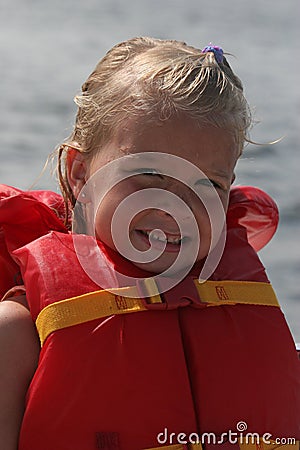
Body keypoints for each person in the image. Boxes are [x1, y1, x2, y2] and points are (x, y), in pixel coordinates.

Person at [0, 37, 299, 450]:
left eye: (208, 183)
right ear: (80, 173)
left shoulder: (239, 305)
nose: (177, 206)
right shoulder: (17, 333)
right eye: (150, 175)